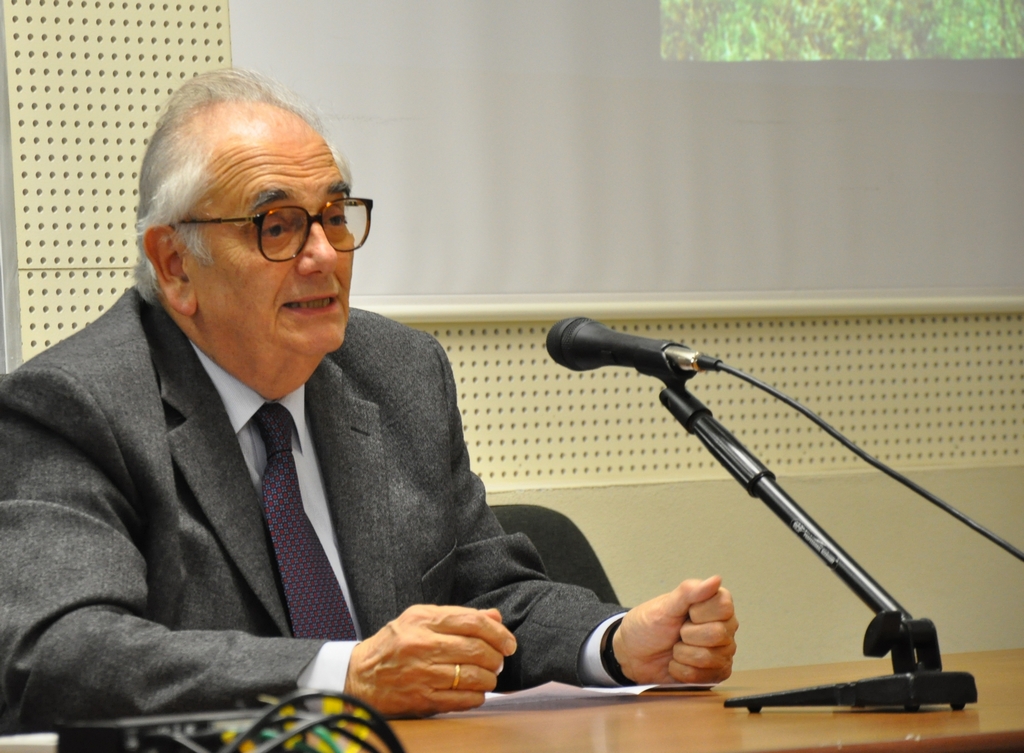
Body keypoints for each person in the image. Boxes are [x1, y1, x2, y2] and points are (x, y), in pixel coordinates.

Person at [0, 69, 737, 732]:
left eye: (334, 214)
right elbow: (59, 653)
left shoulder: (398, 372)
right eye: (278, 226)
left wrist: (614, 643)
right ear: (174, 265)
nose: (324, 253)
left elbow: (490, 596)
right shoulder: (75, 404)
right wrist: (339, 678)